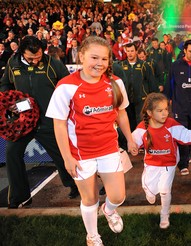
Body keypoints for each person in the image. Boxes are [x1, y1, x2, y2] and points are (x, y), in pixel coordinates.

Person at [45, 36, 138, 245]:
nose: (100, 64)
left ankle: (109, 210)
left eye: (104, 59)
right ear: (81, 56)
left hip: (109, 149)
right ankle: (93, 236)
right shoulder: (66, 86)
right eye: (94, 57)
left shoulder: (115, 83)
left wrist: (130, 139)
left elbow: (121, 113)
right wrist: (67, 158)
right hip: (81, 154)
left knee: (117, 197)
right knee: (90, 199)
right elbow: (58, 125)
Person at [0, 36, 78, 209]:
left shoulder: (52, 63)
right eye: (30, 58)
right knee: (12, 152)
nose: (35, 61)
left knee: (61, 155)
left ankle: (74, 184)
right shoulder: (13, 63)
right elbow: (5, 84)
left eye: (38, 57)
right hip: (23, 121)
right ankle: (20, 197)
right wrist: (9, 101)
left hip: (49, 120)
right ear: (21, 52)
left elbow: (68, 84)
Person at [132, 93, 191, 229]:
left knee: (164, 190)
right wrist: (132, 147)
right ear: (149, 113)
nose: (165, 113)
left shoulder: (171, 124)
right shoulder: (142, 128)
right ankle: (149, 191)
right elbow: (133, 142)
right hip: (151, 164)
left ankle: (164, 214)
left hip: (169, 163)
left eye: (166, 109)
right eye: (160, 111)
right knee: (150, 189)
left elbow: (185, 133)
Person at [164, 39, 191, 176]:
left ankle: (187, 152)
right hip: (179, 107)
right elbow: (169, 84)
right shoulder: (175, 66)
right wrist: (166, 100)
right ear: (185, 51)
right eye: (190, 51)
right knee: (182, 134)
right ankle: (183, 163)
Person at [117, 42, 157, 130]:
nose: (130, 53)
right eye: (128, 51)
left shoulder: (144, 65)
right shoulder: (121, 66)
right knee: (128, 123)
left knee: (142, 123)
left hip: (141, 100)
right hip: (126, 101)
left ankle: (143, 142)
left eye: (132, 51)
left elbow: (152, 82)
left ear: (136, 52)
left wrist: (153, 98)